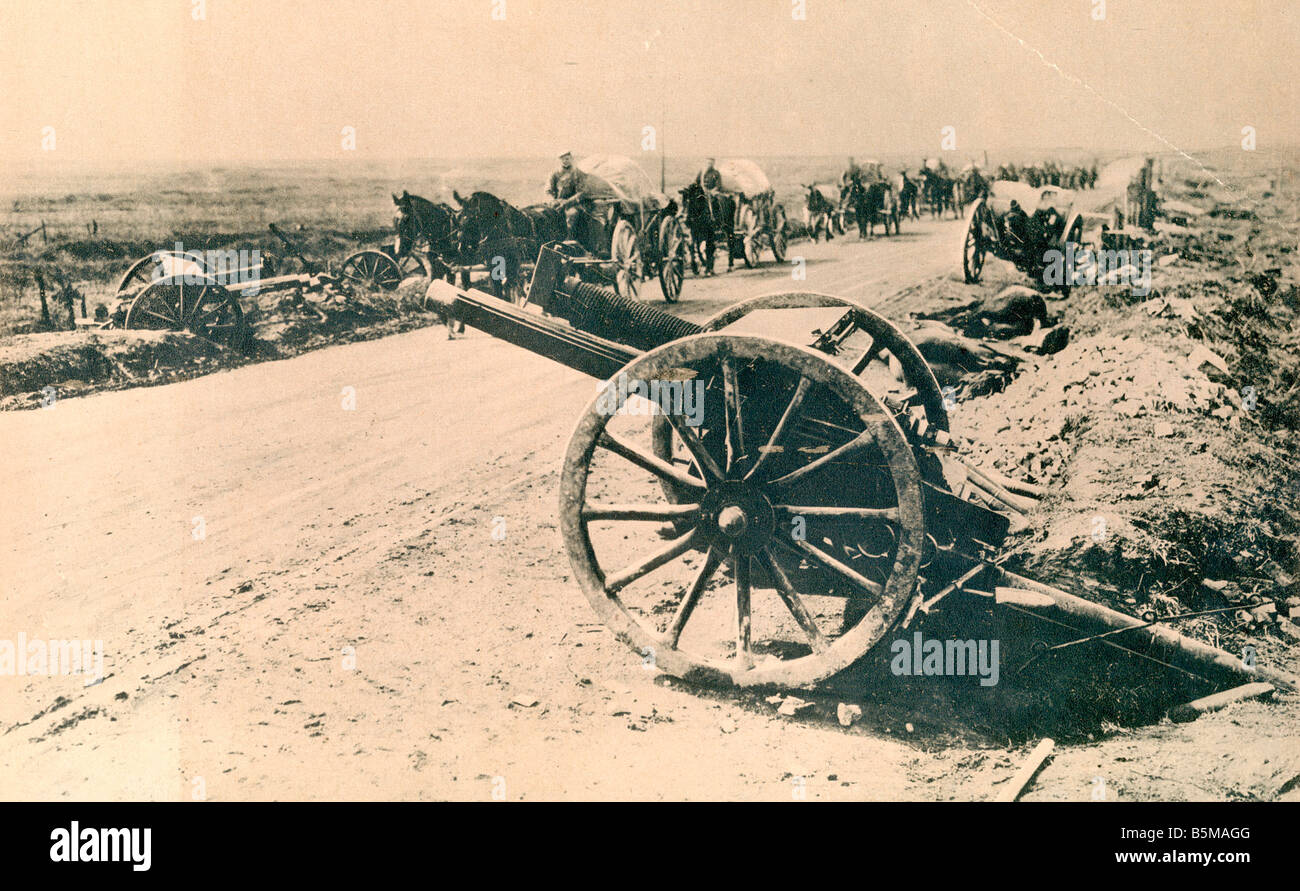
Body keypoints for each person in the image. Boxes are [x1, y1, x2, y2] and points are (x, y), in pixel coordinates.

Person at [547, 151, 589, 241]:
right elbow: (548, 190)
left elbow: (581, 192)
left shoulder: (577, 173)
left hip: (573, 203)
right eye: (562, 159)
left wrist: (568, 202)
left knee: (571, 214)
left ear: (571, 159)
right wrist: (553, 200)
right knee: (546, 214)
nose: (565, 161)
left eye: (567, 159)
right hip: (558, 202)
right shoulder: (555, 173)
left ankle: (569, 240)